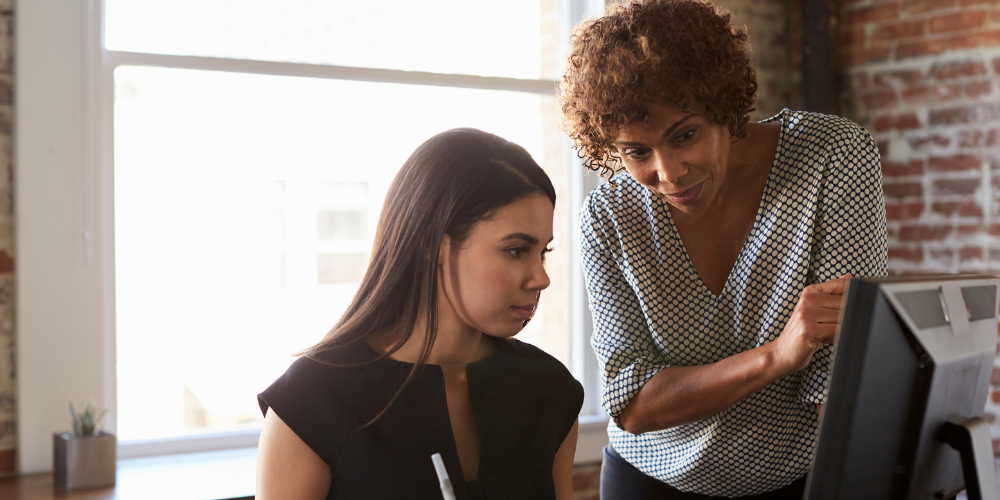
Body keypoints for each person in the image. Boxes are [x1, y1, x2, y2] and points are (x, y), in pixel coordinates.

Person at [557, 0, 888, 498]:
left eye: (685, 134)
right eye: (637, 152)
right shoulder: (608, 216)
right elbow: (632, 403)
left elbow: (838, 378)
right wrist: (776, 356)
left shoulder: (831, 158)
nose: (669, 174)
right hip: (649, 479)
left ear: (725, 105)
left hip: (795, 481)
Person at [255, 128, 584, 500]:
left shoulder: (552, 391)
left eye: (543, 253)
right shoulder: (310, 402)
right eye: (516, 250)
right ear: (432, 245)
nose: (541, 278)